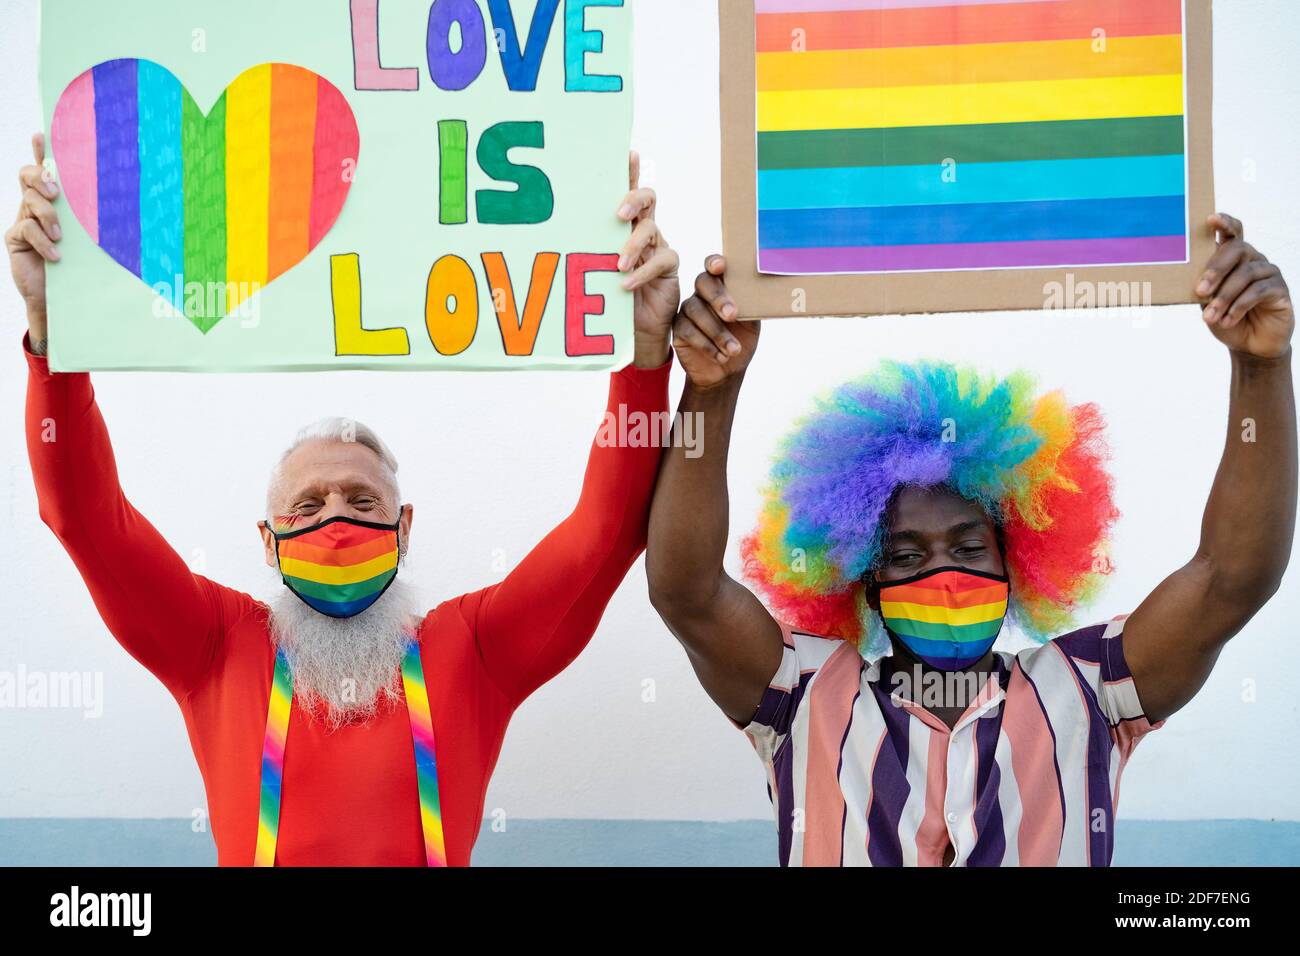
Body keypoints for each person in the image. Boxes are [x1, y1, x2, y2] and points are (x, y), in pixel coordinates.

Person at [8, 133, 681, 866]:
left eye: (362, 500)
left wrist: (643, 356)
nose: (334, 519)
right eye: (307, 505)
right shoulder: (214, 646)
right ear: (266, 539)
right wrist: (54, 339)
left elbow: (607, 533)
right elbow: (83, 518)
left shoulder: (473, 649)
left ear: (404, 526)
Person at [647, 219, 1295, 866]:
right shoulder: (805, 695)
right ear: (866, 586)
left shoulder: (1088, 690)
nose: (943, 574)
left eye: (968, 547)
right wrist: (710, 388)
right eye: (905, 556)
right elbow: (687, 592)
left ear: (1015, 565)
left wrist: (1261, 365)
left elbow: (1230, 579)